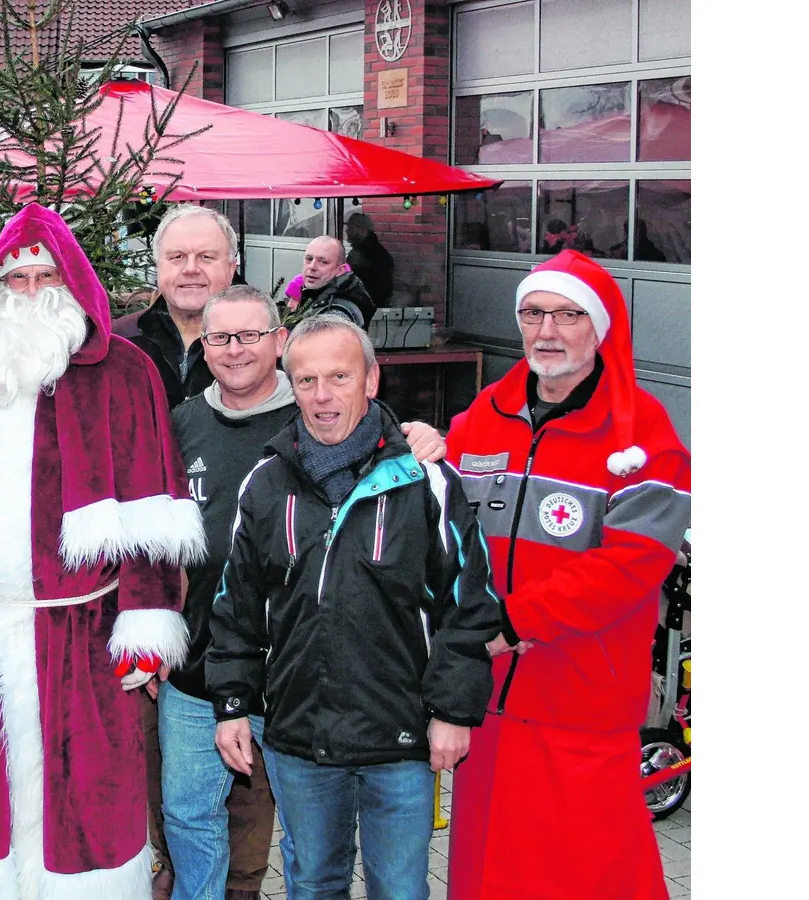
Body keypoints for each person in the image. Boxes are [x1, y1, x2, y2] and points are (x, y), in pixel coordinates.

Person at [0, 202, 204, 898]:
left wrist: (145, 630)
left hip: (81, 640)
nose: (29, 293)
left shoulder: (123, 371)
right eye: (15, 280)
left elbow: (154, 517)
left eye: (45, 276)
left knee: (88, 811)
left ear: (73, 282)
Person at [161, 286, 448, 900]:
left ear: (279, 342)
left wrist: (451, 708)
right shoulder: (188, 430)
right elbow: (220, 588)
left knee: (354, 867)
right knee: (236, 837)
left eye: (251, 336)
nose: (235, 350)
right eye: (220, 338)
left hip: (354, 703)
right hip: (213, 675)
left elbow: (458, 600)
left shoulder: (379, 454)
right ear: (202, 347)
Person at [209, 314, 501, 900]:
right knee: (313, 884)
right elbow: (235, 609)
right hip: (300, 737)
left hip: (402, 738)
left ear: (371, 380)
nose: (322, 396)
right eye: (308, 379)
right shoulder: (265, 485)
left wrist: (452, 711)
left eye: (339, 376)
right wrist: (233, 705)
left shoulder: (425, 481)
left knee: (398, 888)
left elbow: (469, 604)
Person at [445, 250, 691, 900]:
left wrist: (516, 620)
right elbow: (447, 540)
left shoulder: (645, 440)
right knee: (483, 870)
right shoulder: (479, 422)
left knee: (589, 873)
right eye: (533, 313)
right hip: (487, 700)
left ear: (602, 326)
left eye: (567, 314)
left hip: (580, 705)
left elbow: (631, 567)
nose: (546, 330)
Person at [114, 203, 238, 408]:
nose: (191, 269)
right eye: (177, 257)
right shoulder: (118, 341)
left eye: (206, 257)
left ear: (231, 268)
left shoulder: (257, 347)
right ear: (158, 265)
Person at [288, 236, 377, 327]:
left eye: (323, 262)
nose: (312, 266)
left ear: (340, 270)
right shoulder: (316, 295)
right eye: (309, 259)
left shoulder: (337, 313)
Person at [345, 213, 394, 310]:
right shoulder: (372, 252)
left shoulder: (371, 255)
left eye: (351, 228)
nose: (346, 231)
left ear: (363, 231)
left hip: (365, 307)